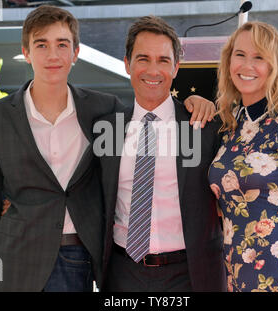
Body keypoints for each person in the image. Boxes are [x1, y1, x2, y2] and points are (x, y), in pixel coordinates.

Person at [0, 5, 212, 292]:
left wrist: (198, 101)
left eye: (62, 44)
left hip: (94, 261)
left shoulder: (105, 111)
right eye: (41, 45)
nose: (52, 55)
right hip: (26, 259)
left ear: (75, 53)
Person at [94, 15, 226, 292]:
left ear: (176, 67)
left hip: (191, 274)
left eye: (163, 60)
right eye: (143, 59)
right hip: (122, 274)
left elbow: (236, 184)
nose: (153, 71)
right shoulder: (106, 128)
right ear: (127, 64)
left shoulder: (203, 126)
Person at [208, 21, 278, 292]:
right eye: (240, 55)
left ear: (273, 66)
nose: (247, 65)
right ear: (228, 60)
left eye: (259, 57)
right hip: (233, 272)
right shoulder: (228, 125)